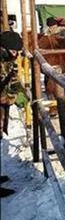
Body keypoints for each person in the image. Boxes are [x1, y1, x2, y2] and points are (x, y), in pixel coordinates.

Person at [1, 31, 27, 198]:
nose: (16, 54)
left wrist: (22, 92)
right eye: (13, 51)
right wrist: (13, 97)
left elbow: (13, 78)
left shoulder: (7, 61)